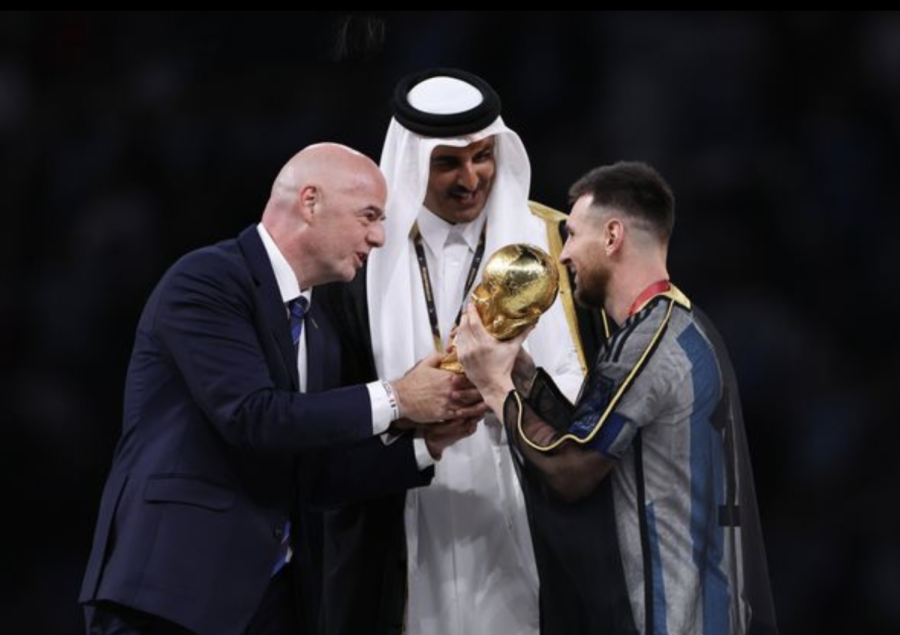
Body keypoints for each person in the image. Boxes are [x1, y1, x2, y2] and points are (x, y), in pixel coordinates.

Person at [79, 143, 484, 635]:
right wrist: (397, 397)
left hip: (274, 603)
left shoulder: (318, 330)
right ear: (310, 202)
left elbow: (312, 475)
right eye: (369, 216)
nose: (379, 237)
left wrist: (425, 445)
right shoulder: (207, 281)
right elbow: (252, 417)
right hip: (171, 591)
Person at [317, 69, 595, 635]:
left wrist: (513, 384)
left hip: (521, 512)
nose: (471, 179)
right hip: (398, 520)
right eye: (448, 163)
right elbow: (327, 419)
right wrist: (408, 408)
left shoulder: (557, 246)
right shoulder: (358, 264)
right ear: (415, 164)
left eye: (483, 156)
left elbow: (592, 392)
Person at [456, 161, 779, 635]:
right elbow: (592, 435)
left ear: (612, 236)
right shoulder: (671, 328)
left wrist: (493, 385)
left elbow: (571, 469)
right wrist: (523, 378)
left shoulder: (652, 343)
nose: (563, 257)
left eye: (570, 235)